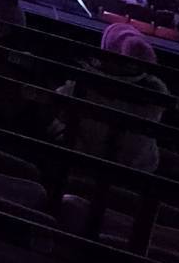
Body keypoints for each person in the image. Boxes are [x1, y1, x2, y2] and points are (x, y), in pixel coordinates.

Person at [52, 21, 172, 173]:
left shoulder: (81, 84)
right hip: (136, 175)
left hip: (78, 169)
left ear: (105, 53)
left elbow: (57, 107)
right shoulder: (157, 92)